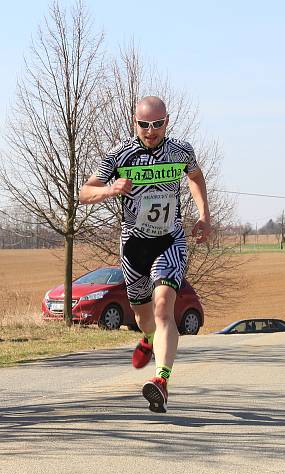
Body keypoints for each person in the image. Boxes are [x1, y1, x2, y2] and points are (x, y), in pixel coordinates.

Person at [79, 96, 211, 413]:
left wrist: (204, 214)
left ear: (167, 121)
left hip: (170, 240)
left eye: (157, 124)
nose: (150, 131)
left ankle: (161, 381)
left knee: (164, 307)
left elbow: (195, 177)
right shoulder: (119, 155)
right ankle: (148, 339)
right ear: (134, 122)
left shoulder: (181, 151)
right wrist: (109, 190)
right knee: (143, 317)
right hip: (134, 245)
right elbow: (85, 192)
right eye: (144, 125)